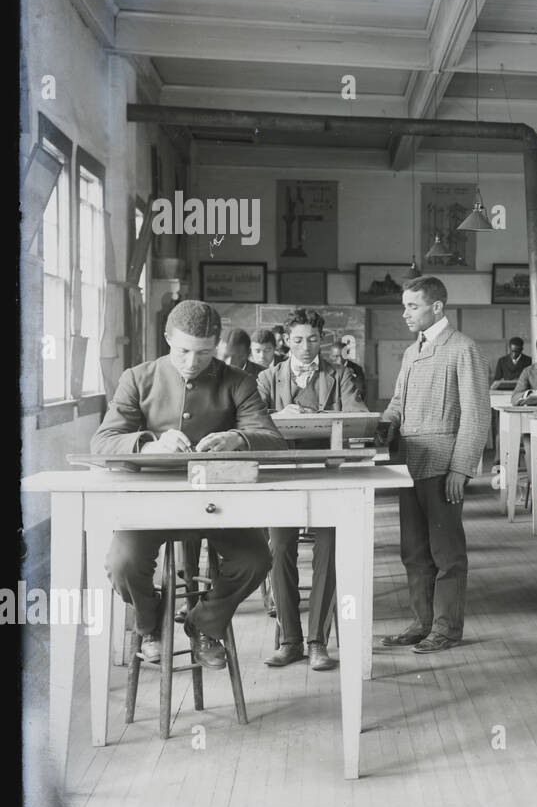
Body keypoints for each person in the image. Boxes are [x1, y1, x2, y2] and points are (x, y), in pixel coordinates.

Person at [92, 300, 281, 669]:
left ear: (218, 346)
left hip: (218, 501)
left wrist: (238, 439)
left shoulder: (239, 381)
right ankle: (150, 624)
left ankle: (204, 622)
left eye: (205, 353)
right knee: (123, 563)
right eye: (183, 351)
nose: (193, 362)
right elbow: (102, 443)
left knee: (256, 559)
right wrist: (149, 444)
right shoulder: (137, 377)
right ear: (167, 339)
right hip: (151, 502)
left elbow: (272, 439)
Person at [378, 276, 489, 653]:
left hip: (443, 467)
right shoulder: (413, 352)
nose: (405, 313)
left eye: (413, 306)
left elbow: (476, 415)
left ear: (437, 307)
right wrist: (383, 424)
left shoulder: (463, 349)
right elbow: (397, 401)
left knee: (447, 553)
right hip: (410, 464)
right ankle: (422, 623)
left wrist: (461, 468)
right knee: (413, 550)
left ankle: (446, 628)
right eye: (405, 305)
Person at [256, 309, 367, 669]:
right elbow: (251, 422)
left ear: (324, 340)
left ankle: (318, 641)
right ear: (286, 340)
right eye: (299, 340)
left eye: (314, 339)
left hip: (327, 475)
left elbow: (357, 418)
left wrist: (321, 420)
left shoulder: (341, 376)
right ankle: (290, 640)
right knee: (280, 547)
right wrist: (281, 418)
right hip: (281, 477)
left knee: (330, 548)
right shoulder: (267, 378)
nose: (306, 347)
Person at [320, 332, 368, 404]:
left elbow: (361, 391)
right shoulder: (324, 369)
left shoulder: (357, 369)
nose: (339, 360)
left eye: (342, 356)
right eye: (335, 356)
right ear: (330, 356)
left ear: (347, 354)